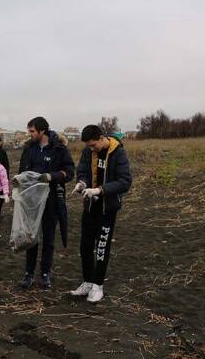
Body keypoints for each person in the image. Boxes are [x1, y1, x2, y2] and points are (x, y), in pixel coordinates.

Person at [70, 125, 132, 303]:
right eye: (88, 146)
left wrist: (100, 190)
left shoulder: (118, 153)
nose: (91, 149)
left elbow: (125, 181)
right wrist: (82, 183)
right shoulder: (87, 152)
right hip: (90, 206)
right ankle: (88, 281)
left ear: (102, 137)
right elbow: (82, 170)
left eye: (93, 145)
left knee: (102, 248)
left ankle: (98, 286)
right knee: (85, 246)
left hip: (107, 208)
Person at [17, 117, 74, 289]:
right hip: (32, 201)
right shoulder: (29, 148)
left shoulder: (59, 148)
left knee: (49, 238)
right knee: (32, 237)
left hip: (51, 200)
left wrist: (52, 176)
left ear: (42, 131)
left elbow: (70, 172)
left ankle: (44, 273)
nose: (30, 134)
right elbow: (22, 170)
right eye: (29, 131)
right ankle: (28, 273)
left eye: (32, 131)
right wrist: (19, 181)